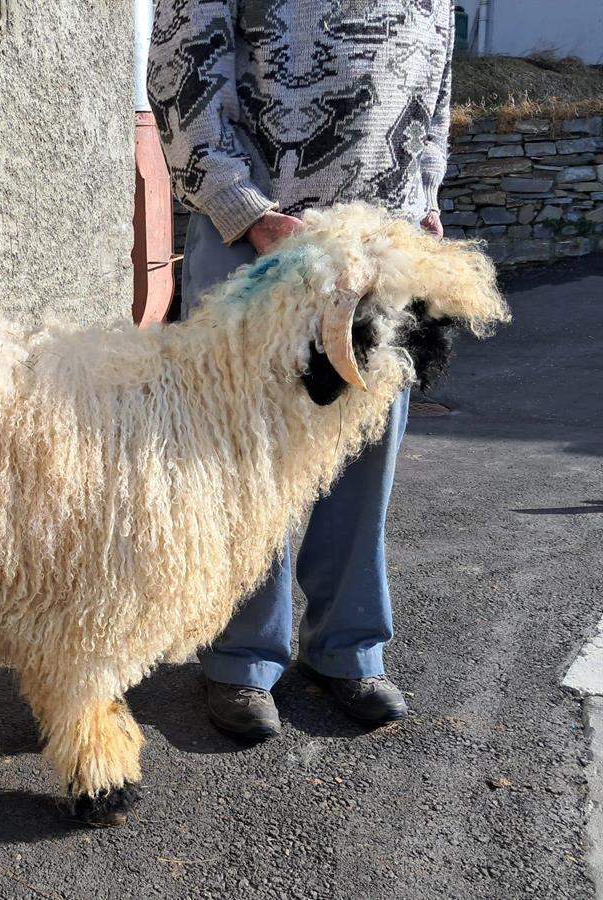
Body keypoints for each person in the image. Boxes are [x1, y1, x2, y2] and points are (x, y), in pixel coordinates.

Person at [147, 0, 453, 738]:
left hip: (384, 243)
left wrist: (426, 195)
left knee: (363, 455)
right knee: (246, 460)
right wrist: (243, 209)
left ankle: (348, 646)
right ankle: (243, 655)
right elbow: (183, 64)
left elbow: (433, 82)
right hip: (260, 238)